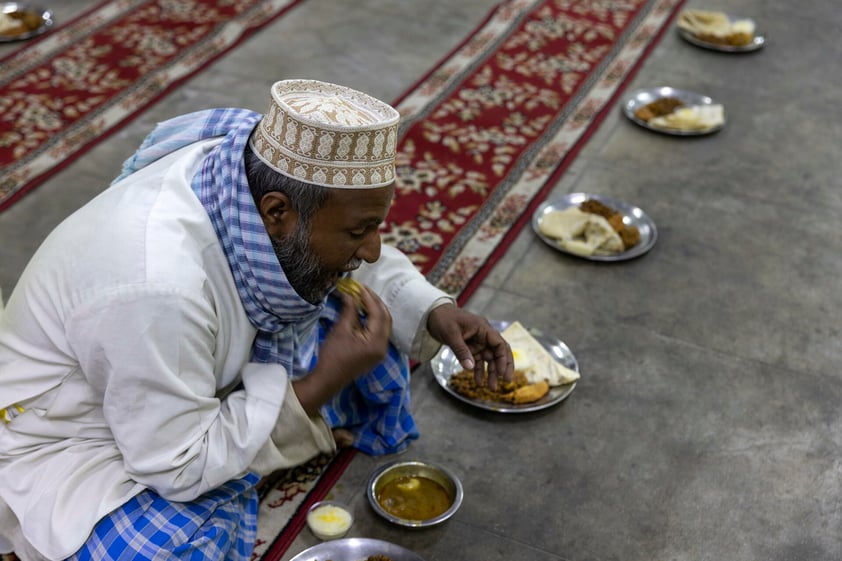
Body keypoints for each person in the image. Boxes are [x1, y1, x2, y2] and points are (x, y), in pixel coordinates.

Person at [0, 79, 513, 560]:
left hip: (154, 366)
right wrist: (320, 384)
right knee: (177, 543)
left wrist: (435, 309)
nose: (375, 249)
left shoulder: (247, 172)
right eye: (362, 230)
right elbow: (177, 467)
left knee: (356, 310)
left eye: (374, 225)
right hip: (64, 433)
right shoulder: (158, 285)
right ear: (275, 212)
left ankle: (266, 425)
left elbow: (346, 248)